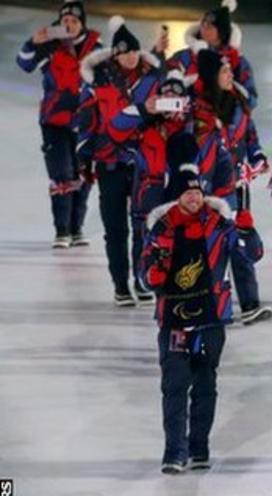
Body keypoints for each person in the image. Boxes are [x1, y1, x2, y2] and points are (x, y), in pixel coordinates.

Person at [137, 147, 264, 475]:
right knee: (175, 385)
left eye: (197, 192)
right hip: (175, 320)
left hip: (210, 318)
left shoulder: (220, 225)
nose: (193, 197)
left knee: (206, 385)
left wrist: (247, 228)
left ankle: (199, 448)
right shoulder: (161, 230)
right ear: (176, 198)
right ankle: (174, 452)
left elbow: (252, 254)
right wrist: (158, 269)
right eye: (187, 193)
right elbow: (146, 276)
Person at [76, 16, 162, 306]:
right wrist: (83, 161)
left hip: (143, 165)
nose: (131, 56)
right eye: (125, 51)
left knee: (143, 225)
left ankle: (142, 278)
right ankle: (120, 285)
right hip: (109, 164)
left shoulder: (152, 79)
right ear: (115, 54)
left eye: (134, 51)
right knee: (115, 229)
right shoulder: (97, 82)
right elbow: (86, 123)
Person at [190, 48, 272, 324]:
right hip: (212, 193)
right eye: (224, 72)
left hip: (238, 188)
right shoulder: (197, 110)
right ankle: (214, 309)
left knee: (240, 245)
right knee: (212, 252)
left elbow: (250, 136)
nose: (230, 75)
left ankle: (250, 303)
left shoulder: (237, 101)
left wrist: (258, 156)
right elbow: (199, 154)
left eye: (230, 70)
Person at [16, 1, 102, 248]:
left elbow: (112, 78)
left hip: (86, 122)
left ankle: (77, 229)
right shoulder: (49, 45)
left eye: (74, 21)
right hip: (54, 122)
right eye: (65, 21)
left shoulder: (96, 48)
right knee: (61, 175)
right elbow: (24, 63)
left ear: (82, 23)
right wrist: (34, 42)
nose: (69, 25)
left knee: (82, 175)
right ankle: (62, 230)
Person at [108, 69, 191, 303]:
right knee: (143, 236)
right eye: (165, 96)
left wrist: (187, 114)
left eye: (175, 98)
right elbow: (114, 128)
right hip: (147, 190)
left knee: (178, 237)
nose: (170, 102)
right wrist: (146, 108)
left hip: (178, 190)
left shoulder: (190, 127)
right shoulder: (145, 127)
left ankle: (176, 280)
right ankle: (142, 279)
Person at [165, 0, 258, 109]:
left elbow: (251, 101)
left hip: (226, 120)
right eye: (203, 24)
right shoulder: (184, 57)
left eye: (210, 26)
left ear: (222, 31)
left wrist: (229, 87)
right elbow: (163, 81)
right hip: (191, 119)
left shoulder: (238, 62)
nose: (204, 29)